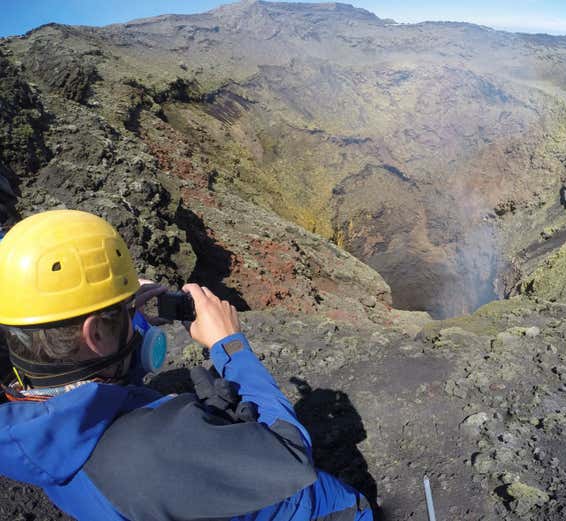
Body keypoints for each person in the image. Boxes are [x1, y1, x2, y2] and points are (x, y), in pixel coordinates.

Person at [0, 209, 372, 521]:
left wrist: (132, 322)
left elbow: (88, 390)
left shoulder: (31, 428)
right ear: (94, 334)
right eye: (121, 313)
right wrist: (231, 348)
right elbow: (290, 457)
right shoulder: (155, 448)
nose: (132, 318)